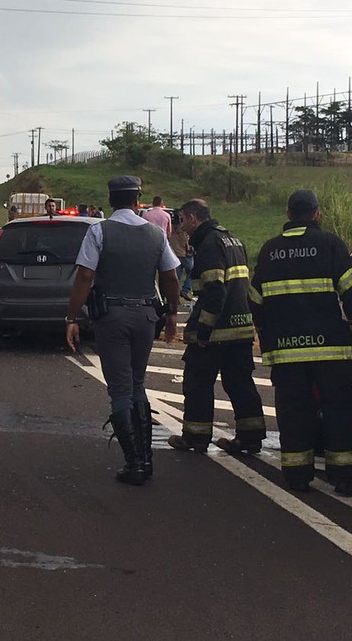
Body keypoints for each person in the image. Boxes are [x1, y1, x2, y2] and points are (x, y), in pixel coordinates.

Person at [249, 189, 352, 496]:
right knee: (338, 410)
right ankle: (344, 477)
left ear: (288, 215)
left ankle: (296, 476)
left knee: (293, 411)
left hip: (287, 352)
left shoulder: (269, 250)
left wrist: (266, 334)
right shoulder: (330, 245)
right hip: (330, 350)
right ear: (316, 214)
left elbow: (255, 300)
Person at [65, 176, 181, 486]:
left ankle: (135, 464)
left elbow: (85, 276)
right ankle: (146, 458)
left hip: (112, 317)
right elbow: (170, 277)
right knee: (137, 384)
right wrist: (171, 312)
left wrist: (72, 317)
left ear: (111, 199)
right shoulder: (156, 234)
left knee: (119, 388)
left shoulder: (99, 231)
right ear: (137, 200)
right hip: (145, 316)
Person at [167, 200, 266, 455]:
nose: (182, 228)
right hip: (241, 328)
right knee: (240, 383)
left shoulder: (209, 244)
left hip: (217, 332)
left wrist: (203, 330)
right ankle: (251, 437)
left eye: (182, 221)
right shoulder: (232, 240)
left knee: (197, 382)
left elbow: (215, 291)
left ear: (192, 218)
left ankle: (195, 437)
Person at [168, 209, 194, 301]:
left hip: (175, 255)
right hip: (185, 254)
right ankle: (186, 290)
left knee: (176, 277)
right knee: (192, 271)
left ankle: (175, 297)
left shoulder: (170, 228)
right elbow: (186, 242)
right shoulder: (184, 229)